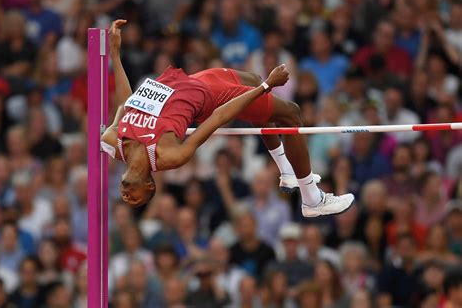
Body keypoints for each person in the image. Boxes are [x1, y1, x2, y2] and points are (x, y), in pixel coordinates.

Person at [101, 19, 354, 218]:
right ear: (149, 184)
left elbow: (126, 103)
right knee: (291, 113)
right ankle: (312, 199)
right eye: (138, 200)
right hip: (209, 97)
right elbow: (219, 117)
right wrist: (266, 87)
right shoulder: (168, 155)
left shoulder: (112, 141)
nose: (128, 199)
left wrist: (114, 52)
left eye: (130, 199)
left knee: (252, 78)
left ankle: (286, 171)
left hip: (188, 81)